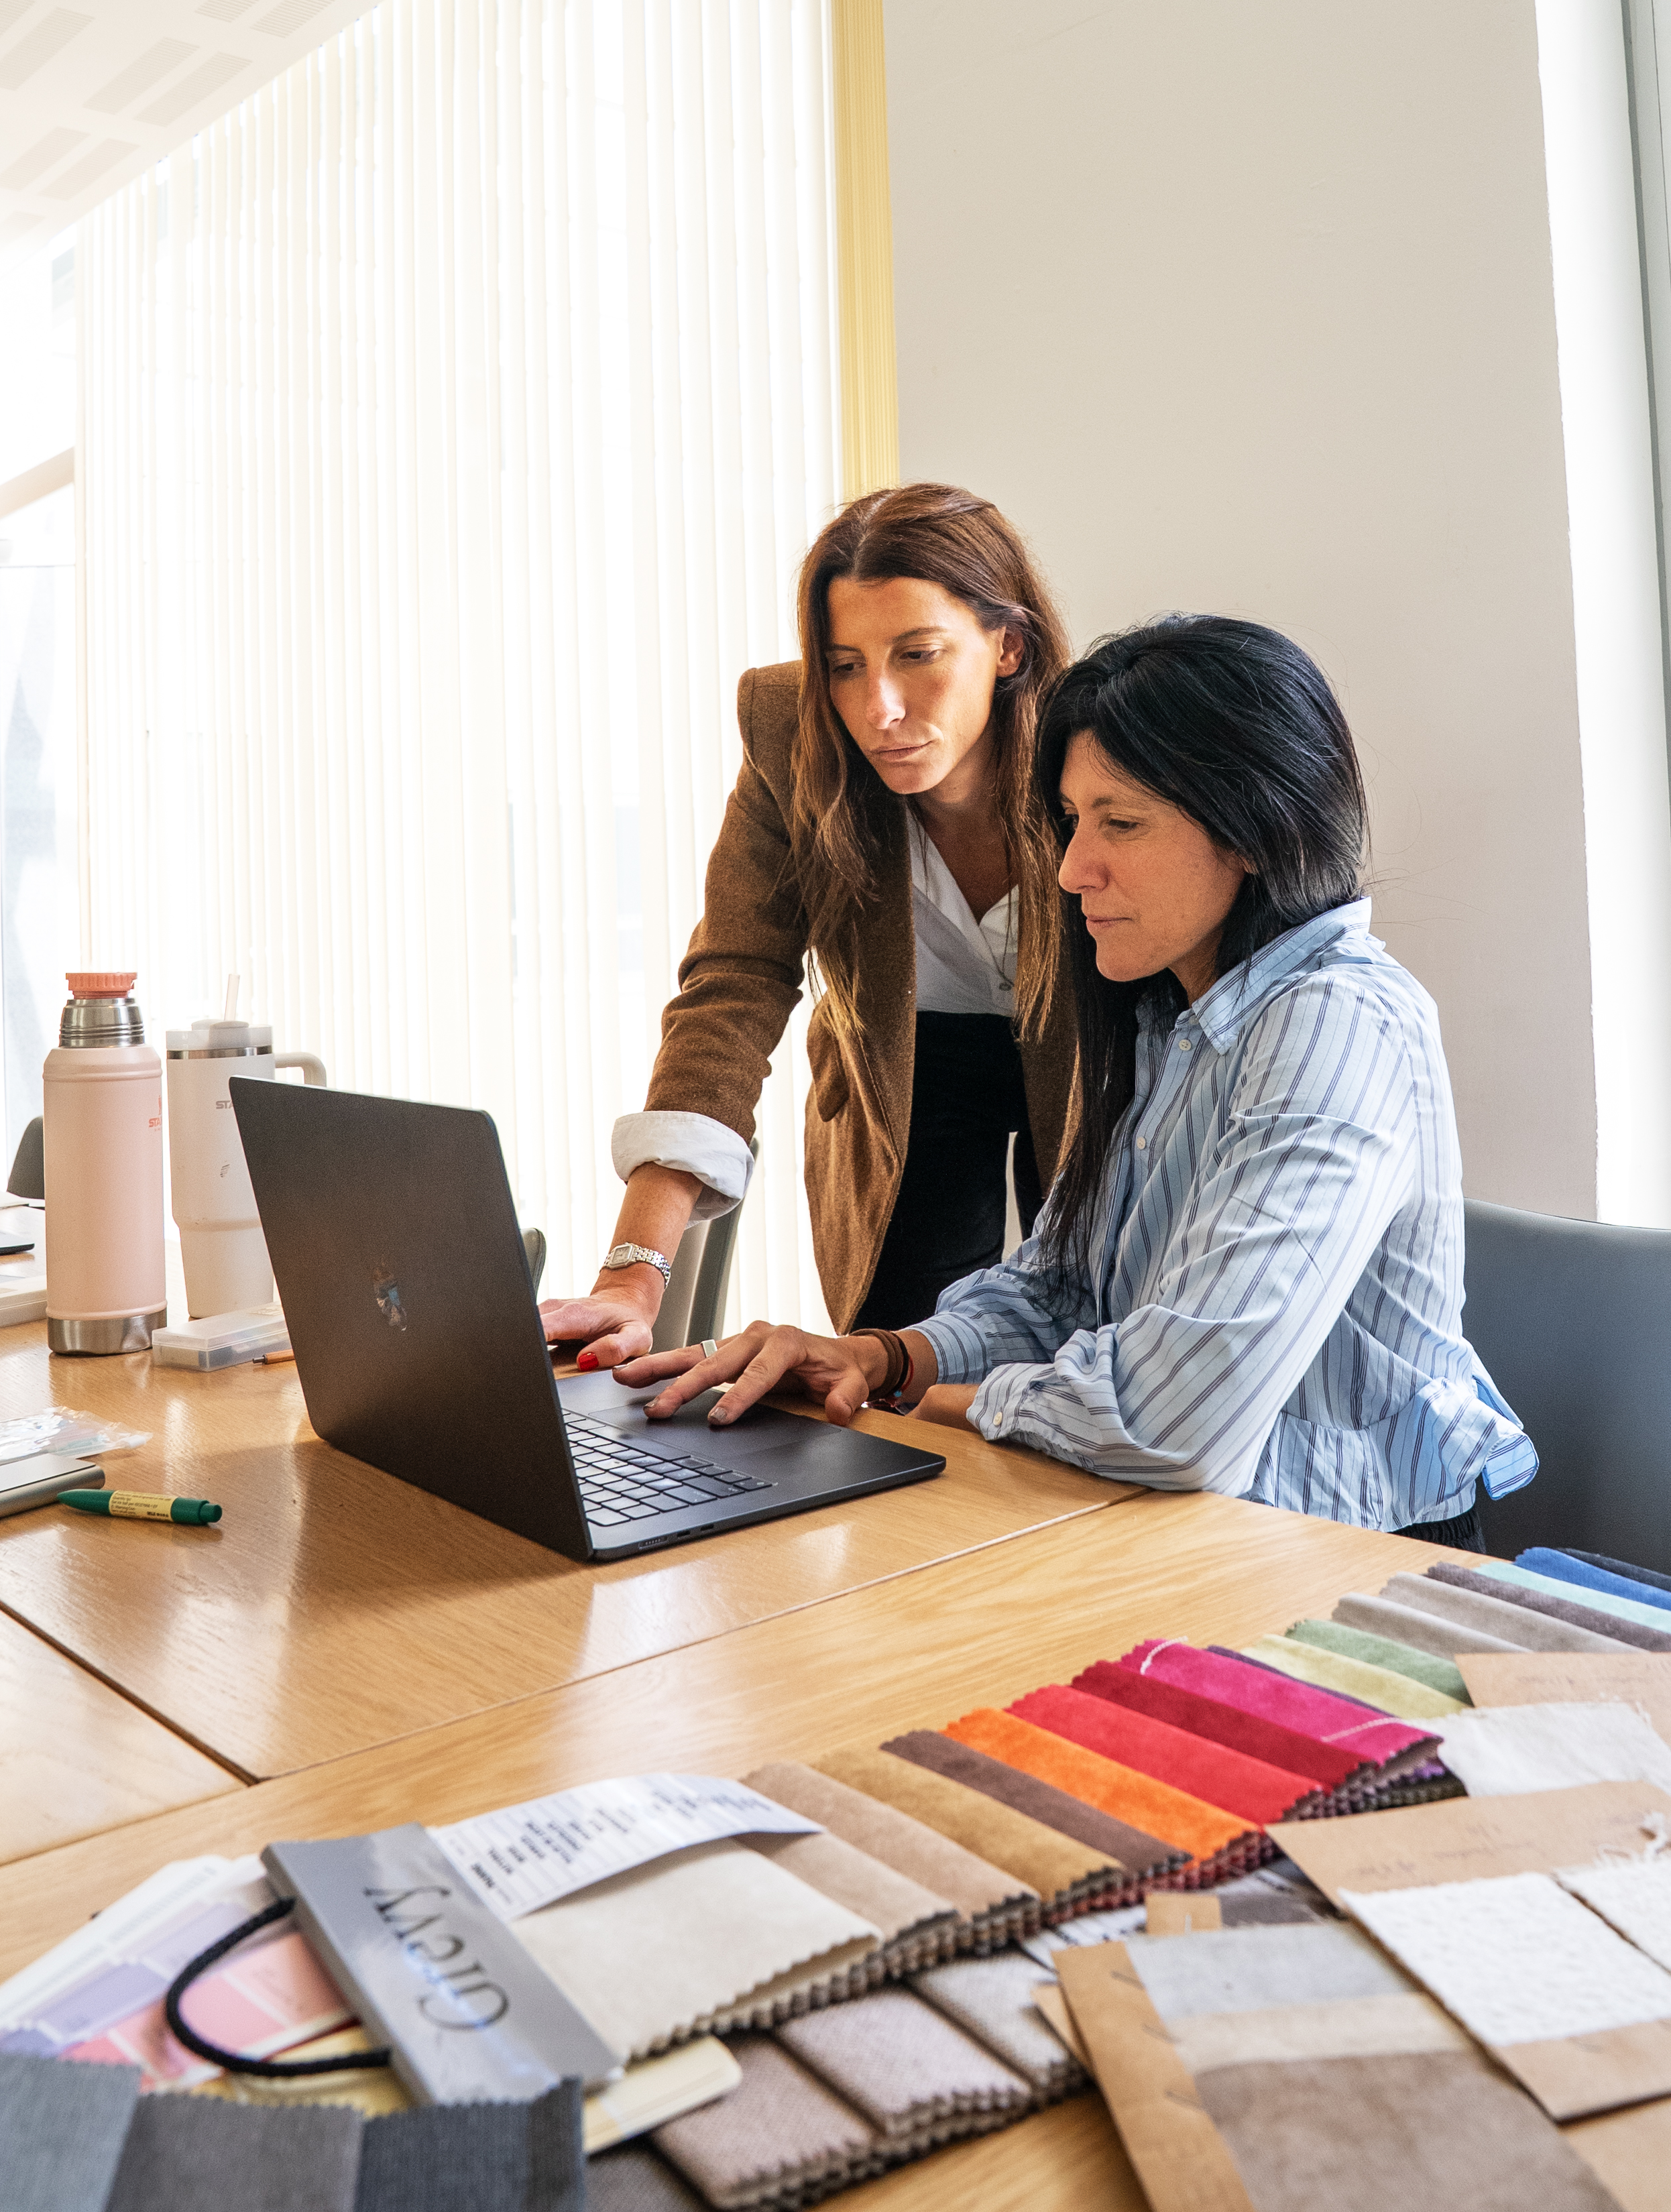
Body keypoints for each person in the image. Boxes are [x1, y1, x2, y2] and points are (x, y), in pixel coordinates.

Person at [626, 614, 1536, 1541]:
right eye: (1070, 820)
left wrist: (953, 1406)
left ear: (1256, 829)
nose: (1069, 869)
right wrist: (882, 1359)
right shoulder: (1166, 1015)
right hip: (1170, 1527)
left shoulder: (1336, 1022)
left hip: (1339, 1559)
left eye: (1122, 823)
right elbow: (1061, 1289)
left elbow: (1177, 1424)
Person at [540, 484, 1076, 1363]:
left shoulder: (1098, 743)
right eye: (845, 664)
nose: (878, 709)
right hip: (902, 1083)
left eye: (918, 654)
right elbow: (735, 982)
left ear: (1007, 645)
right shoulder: (792, 732)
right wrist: (631, 1278)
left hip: (1084, 1073)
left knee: (1085, 1362)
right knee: (894, 1381)